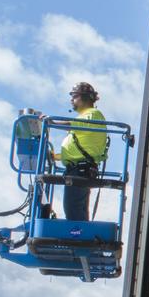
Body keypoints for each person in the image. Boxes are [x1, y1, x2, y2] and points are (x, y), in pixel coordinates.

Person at [52, 81, 106, 221]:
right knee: (75, 207)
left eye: (74, 96)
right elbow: (79, 148)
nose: (71, 100)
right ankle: (79, 236)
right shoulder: (86, 117)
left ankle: (77, 237)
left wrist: (51, 123)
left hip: (80, 169)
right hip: (78, 168)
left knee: (73, 208)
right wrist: (55, 157)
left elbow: (75, 124)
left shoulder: (93, 114)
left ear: (85, 98)